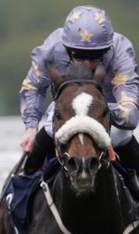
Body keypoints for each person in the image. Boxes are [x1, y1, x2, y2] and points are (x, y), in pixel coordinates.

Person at [20, 5, 139, 178]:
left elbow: (130, 115)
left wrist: (93, 110)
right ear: (67, 50)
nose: (87, 64)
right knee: (48, 127)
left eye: (95, 56)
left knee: (123, 135)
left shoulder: (121, 51)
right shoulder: (52, 48)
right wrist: (31, 127)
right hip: (66, 114)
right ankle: (22, 186)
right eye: (79, 56)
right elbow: (33, 87)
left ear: (107, 50)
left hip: (106, 117)